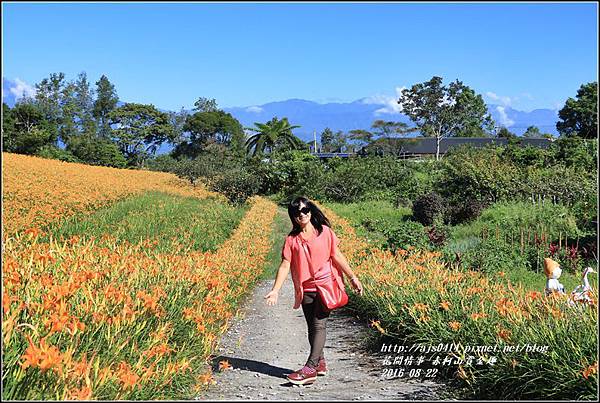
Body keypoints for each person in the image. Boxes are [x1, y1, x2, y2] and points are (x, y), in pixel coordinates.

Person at [264, 196, 364, 386]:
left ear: (310, 211)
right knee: (312, 326)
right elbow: (285, 265)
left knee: (319, 324)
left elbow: (337, 256)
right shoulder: (292, 240)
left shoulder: (325, 232)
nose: (301, 215)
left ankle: (310, 369)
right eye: (296, 212)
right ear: (292, 217)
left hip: (325, 285)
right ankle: (321, 363)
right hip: (306, 289)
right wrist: (275, 290)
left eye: (304, 210)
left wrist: (352, 277)